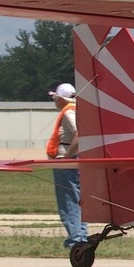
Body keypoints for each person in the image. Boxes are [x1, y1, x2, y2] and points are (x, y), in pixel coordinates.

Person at [47, 82, 87, 249]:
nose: (55, 101)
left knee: (68, 201)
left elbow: (79, 133)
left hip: (67, 162)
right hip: (73, 161)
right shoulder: (77, 110)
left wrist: (68, 156)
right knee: (76, 200)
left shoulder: (69, 112)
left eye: (56, 97)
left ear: (62, 98)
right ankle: (80, 236)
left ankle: (76, 238)